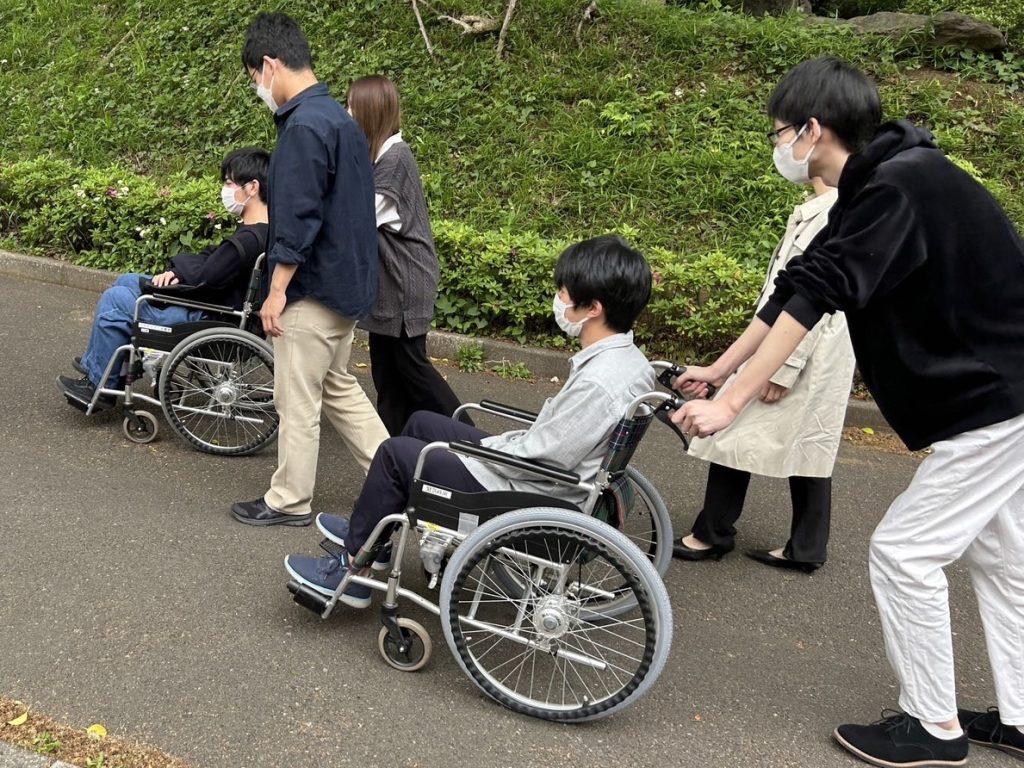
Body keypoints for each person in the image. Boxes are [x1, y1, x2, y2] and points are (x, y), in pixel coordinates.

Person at [672, 56, 1024, 767]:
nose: (779, 150)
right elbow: (797, 286)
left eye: (779, 133)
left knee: (904, 553)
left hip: (996, 399)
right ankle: (1020, 720)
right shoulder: (886, 182)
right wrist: (719, 369)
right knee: (1000, 557)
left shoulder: (900, 186)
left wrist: (731, 404)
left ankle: (933, 728)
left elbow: (819, 293)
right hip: (1000, 396)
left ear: (812, 129)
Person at [282, 235, 656, 608]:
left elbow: (543, 460)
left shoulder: (596, 383)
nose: (558, 299)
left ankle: (353, 569)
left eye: (563, 291)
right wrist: (490, 447)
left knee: (396, 454)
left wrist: (481, 451)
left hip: (536, 492)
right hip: (546, 474)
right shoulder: (627, 360)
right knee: (423, 423)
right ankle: (373, 536)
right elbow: (552, 446)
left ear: (593, 307)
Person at [231, 13, 390, 528]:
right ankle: (399, 476)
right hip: (346, 290)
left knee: (296, 401)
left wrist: (276, 291)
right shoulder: (341, 120)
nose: (259, 88)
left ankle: (289, 500)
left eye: (256, 78)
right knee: (338, 388)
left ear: (272, 65)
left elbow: (298, 218)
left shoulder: (302, 128)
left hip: (311, 292)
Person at [672, 174, 854, 571]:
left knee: (730, 432)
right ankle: (805, 547)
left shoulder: (832, 213)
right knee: (809, 446)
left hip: (800, 352)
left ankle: (711, 534)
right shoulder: (830, 208)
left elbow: (812, 300)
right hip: (808, 354)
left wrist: (782, 366)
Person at [57, 147, 270, 409]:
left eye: (229, 183)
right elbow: (211, 262)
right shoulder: (261, 232)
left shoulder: (247, 240)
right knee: (128, 279)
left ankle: (101, 385)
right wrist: (179, 272)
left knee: (118, 299)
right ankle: (103, 362)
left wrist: (178, 275)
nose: (224, 190)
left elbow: (208, 276)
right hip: (222, 309)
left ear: (252, 188)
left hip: (208, 317)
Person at [346, 74, 465, 436]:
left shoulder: (394, 158)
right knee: (388, 373)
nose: (346, 113)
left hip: (404, 280)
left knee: (411, 369)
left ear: (369, 112)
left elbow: (361, 219)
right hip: (396, 280)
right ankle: (397, 448)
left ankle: (477, 443)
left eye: (351, 107)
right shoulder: (382, 155)